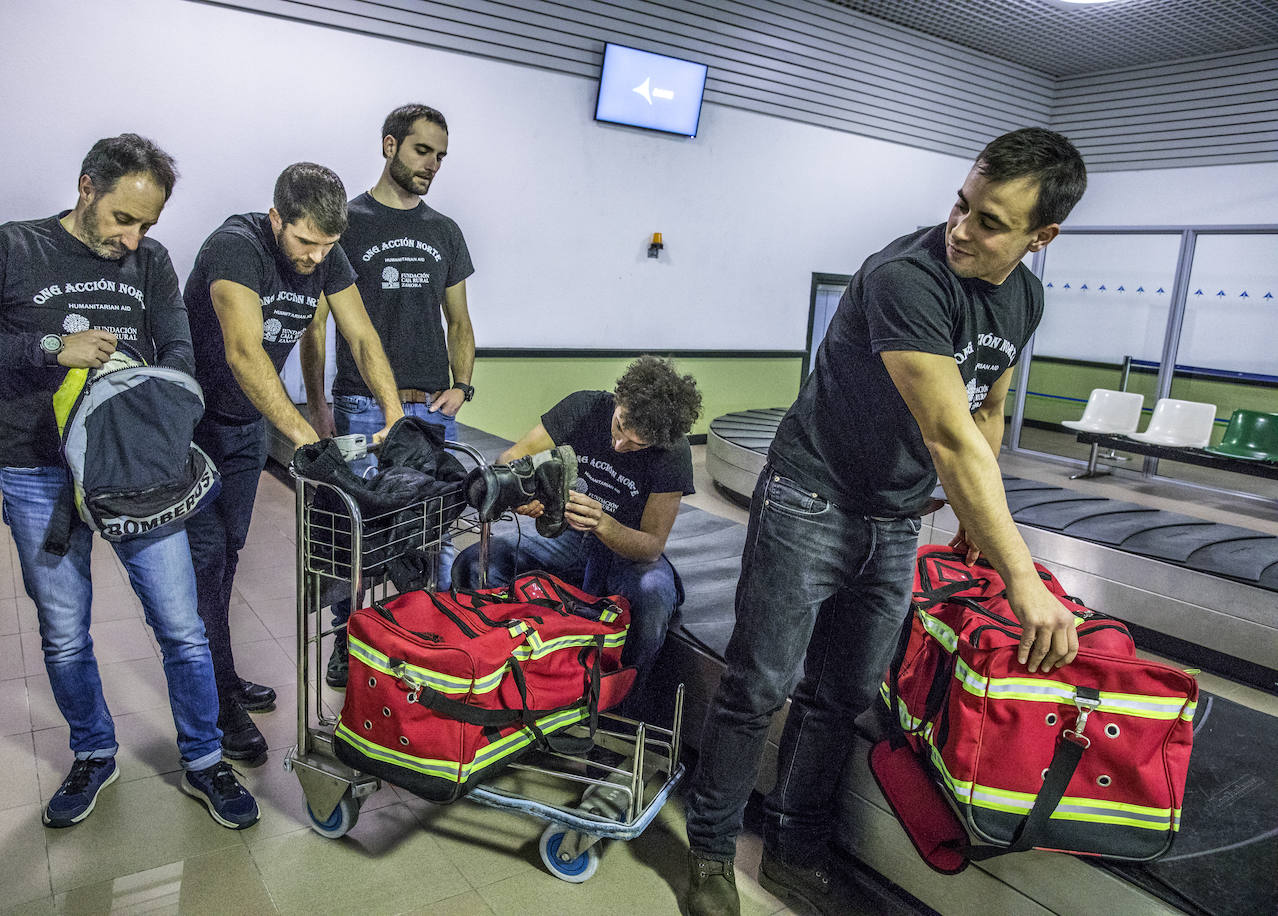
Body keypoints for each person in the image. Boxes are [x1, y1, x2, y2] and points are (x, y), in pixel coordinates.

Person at [682, 128, 1089, 915]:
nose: (961, 229)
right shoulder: (907, 277)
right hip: (811, 497)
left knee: (844, 694)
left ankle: (795, 848)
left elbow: (988, 410)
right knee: (758, 685)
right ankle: (709, 853)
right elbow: (946, 435)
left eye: (990, 222)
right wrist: (1021, 577)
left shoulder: (1025, 298)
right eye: (961, 205)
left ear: (1043, 239)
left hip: (897, 517)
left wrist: (978, 516)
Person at [0, 133, 259, 830]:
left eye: (148, 225)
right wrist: (50, 346)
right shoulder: (12, 247)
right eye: (123, 220)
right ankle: (94, 752)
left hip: (136, 472)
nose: (133, 239)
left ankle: (202, 759)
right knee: (65, 631)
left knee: (182, 627)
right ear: (86, 189)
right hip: (37, 471)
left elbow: (178, 353)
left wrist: (139, 383)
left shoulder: (152, 262)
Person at [183, 162, 403, 760]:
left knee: (228, 554)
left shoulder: (327, 255)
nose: (315, 257)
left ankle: (220, 677)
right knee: (206, 564)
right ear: (276, 218)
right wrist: (308, 439)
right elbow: (243, 351)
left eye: (328, 245)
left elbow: (361, 335)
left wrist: (394, 415)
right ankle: (218, 704)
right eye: (305, 242)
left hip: (245, 430)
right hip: (194, 430)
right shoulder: (235, 246)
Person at [308, 103, 475, 687]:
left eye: (440, 156)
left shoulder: (444, 232)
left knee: (434, 528)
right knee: (354, 531)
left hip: (431, 410)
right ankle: (346, 641)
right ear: (389, 145)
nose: (432, 165)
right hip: (360, 403)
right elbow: (319, 322)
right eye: (422, 150)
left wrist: (461, 387)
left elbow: (458, 319)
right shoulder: (349, 223)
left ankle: (429, 636)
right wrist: (318, 402)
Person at [451, 356, 702, 707]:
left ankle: (619, 709)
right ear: (618, 401)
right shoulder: (585, 407)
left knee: (654, 594)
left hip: (624, 553)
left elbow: (650, 546)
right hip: (570, 539)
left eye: (635, 445)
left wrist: (604, 523)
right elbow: (509, 461)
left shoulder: (673, 453)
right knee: (478, 562)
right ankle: (495, 686)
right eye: (619, 428)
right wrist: (527, 492)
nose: (619, 445)